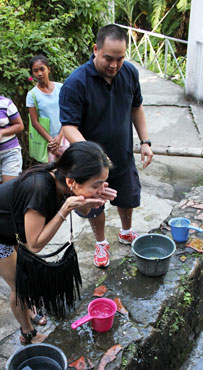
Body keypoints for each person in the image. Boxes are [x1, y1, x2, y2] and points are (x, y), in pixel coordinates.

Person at [0, 141, 116, 344]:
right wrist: (64, 210)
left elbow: (83, 210)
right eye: (96, 184)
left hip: (12, 227)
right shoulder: (40, 188)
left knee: (22, 278)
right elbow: (34, 245)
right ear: (72, 182)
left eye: (104, 183)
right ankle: (28, 333)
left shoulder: (65, 180)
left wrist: (94, 199)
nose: (102, 188)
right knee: (22, 286)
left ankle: (29, 310)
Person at [60, 24, 154, 268]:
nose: (114, 65)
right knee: (94, 206)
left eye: (120, 59)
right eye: (108, 58)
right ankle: (101, 243)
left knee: (127, 198)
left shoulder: (130, 73)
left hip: (123, 156)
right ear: (95, 50)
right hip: (92, 166)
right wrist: (94, 157)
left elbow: (136, 107)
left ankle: (126, 231)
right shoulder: (76, 83)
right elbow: (69, 126)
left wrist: (145, 141)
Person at [26, 55, 69, 162]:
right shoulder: (32, 95)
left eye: (42, 69)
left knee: (70, 169)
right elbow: (34, 121)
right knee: (52, 173)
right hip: (47, 141)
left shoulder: (61, 88)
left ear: (48, 70)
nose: (39, 73)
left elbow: (68, 113)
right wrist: (51, 140)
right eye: (35, 71)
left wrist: (59, 137)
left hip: (65, 136)